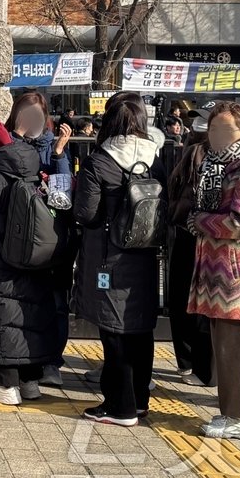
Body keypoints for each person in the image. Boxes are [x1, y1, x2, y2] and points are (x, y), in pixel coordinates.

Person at [73, 92, 165, 427]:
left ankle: (119, 406)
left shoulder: (101, 160)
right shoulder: (155, 157)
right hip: (145, 255)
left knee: (114, 330)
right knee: (141, 329)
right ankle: (140, 402)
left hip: (109, 257)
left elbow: (87, 213)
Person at [187, 101, 240, 440]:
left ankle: (236, 415)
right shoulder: (221, 164)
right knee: (236, 343)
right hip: (223, 269)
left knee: (236, 343)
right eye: (214, 130)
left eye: (226, 130)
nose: (218, 136)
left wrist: (199, 221)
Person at [0, 118, 64, 405]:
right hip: (35, 257)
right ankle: (30, 382)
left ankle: (4, 386)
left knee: (0, 316)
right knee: (29, 314)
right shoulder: (33, 167)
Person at [166, 129, 213, 383]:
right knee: (204, 305)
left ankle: (186, 363)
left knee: (182, 301)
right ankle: (203, 366)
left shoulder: (189, 157)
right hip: (209, 238)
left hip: (186, 233)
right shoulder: (220, 160)